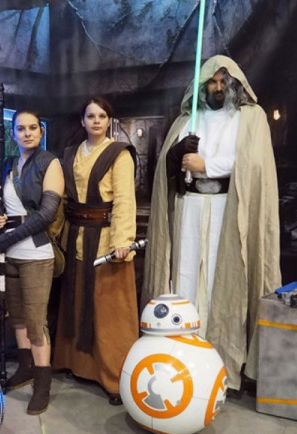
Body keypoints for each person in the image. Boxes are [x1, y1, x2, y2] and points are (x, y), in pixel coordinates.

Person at [143, 55, 281, 396]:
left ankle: (222, 363)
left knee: (223, 280)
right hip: (188, 206)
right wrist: (176, 156)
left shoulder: (251, 118)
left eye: (223, 82)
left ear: (234, 84)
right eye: (212, 82)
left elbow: (253, 164)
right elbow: (165, 171)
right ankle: (183, 355)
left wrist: (207, 164)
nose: (218, 88)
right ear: (202, 85)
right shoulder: (187, 119)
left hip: (227, 208)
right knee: (185, 276)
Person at [52, 97, 139, 406]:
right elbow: (63, 198)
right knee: (75, 303)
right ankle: (76, 364)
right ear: (83, 121)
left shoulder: (120, 154)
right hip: (75, 237)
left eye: (102, 115)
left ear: (109, 120)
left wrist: (122, 239)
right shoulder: (71, 154)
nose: (97, 121)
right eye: (91, 116)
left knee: (109, 312)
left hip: (105, 242)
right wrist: (53, 234)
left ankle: (116, 377)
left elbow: (125, 199)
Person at [0, 109, 64, 415]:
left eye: (33, 127)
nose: (27, 133)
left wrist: (8, 238)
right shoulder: (8, 164)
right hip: (10, 255)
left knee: (35, 321)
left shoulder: (50, 163)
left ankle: (42, 385)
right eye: (21, 128)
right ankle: (25, 368)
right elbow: (0, 207)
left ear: (41, 131)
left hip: (36, 253)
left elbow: (46, 214)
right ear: (13, 133)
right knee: (17, 317)